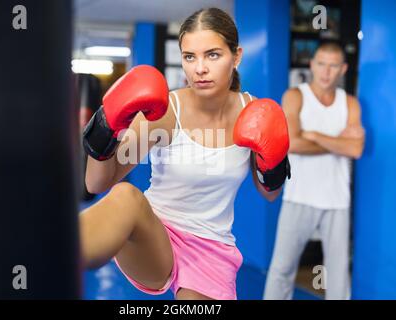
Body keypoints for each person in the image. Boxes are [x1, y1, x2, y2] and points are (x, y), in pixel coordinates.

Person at [80, 7, 290, 300]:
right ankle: (51, 256)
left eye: (212, 55)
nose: (199, 68)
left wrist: (276, 160)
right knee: (125, 197)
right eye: (190, 56)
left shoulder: (252, 113)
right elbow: (95, 184)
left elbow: (270, 193)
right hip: (155, 234)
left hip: (211, 249)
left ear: (237, 56)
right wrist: (105, 128)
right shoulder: (166, 112)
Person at [264, 42, 365, 300]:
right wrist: (338, 143)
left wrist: (315, 134)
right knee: (281, 270)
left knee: (338, 275)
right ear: (312, 65)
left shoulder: (350, 103)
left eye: (333, 65)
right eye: (321, 63)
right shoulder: (295, 96)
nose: (326, 71)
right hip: (299, 197)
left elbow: (355, 150)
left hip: (336, 201)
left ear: (342, 69)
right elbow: (292, 144)